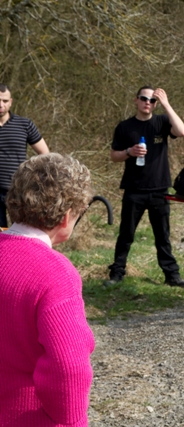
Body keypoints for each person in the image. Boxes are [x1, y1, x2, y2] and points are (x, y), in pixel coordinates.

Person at [0, 153, 95, 426]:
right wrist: (72, 420)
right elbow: (68, 365)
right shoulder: (55, 274)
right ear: (67, 218)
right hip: (28, 415)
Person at [105, 86, 184, 288]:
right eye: (144, 99)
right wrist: (129, 151)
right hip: (134, 189)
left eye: (152, 100)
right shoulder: (125, 127)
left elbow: (181, 131)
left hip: (160, 189)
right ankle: (116, 274)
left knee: (163, 236)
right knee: (126, 235)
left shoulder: (161, 122)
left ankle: (172, 276)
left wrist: (167, 104)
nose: (148, 103)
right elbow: (113, 156)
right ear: (136, 100)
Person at [0, 84, 50, 228]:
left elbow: (45, 154)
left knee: (21, 232)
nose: (1, 104)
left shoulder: (25, 124)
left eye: (4, 100)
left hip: (17, 190)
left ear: (11, 102)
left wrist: (34, 178)